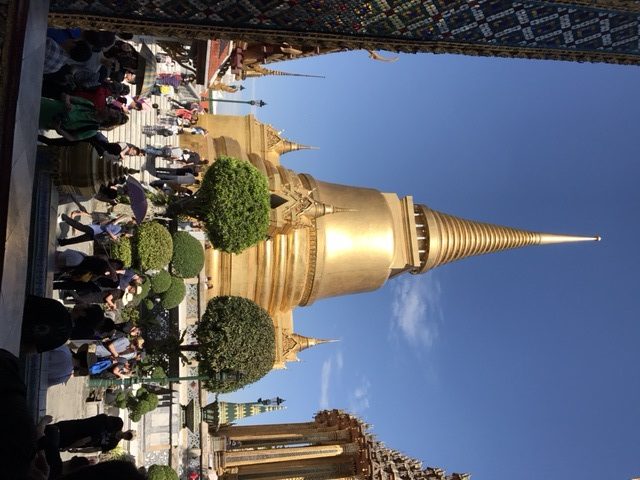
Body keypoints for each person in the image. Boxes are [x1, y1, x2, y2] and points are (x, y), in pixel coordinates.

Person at [39, 96, 129, 142]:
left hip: (45, 121)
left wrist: (58, 128)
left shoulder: (91, 129)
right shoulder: (89, 105)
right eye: (109, 108)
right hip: (45, 104)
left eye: (108, 110)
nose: (106, 108)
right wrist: (67, 102)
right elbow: (67, 96)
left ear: (107, 119)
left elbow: (72, 138)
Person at [46, 414, 135, 453]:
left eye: (128, 438)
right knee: (50, 430)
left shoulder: (112, 444)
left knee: (49, 445)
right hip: (75, 427)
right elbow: (103, 417)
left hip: (72, 442)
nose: (127, 436)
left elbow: (95, 449)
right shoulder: (118, 423)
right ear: (128, 430)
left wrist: (78, 450)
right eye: (129, 434)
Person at [58, 211, 128, 246]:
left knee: (78, 240)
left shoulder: (119, 233)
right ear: (128, 232)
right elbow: (107, 227)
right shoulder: (118, 228)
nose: (129, 237)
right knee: (79, 226)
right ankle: (64, 217)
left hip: (95, 235)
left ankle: (62, 242)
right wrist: (112, 235)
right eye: (130, 235)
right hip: (95, 229)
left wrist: (114, 238)